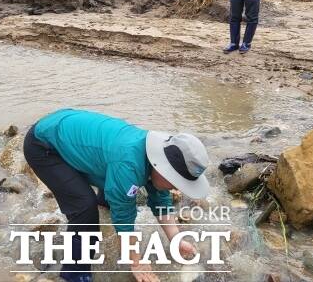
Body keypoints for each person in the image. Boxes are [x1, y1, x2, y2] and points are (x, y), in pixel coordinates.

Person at [23, 109, 211, 282]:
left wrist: (176, 239)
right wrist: (136, 262)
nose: (174, 187)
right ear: (162, 168)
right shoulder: (129, 165)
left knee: (117, 183)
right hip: (44, 145)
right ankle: (74, 273)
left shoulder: (156, 157)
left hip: (70, 129)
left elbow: (160, 198)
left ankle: (104, 201)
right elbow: (124, 218)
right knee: (84, 207)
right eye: (174, 181)